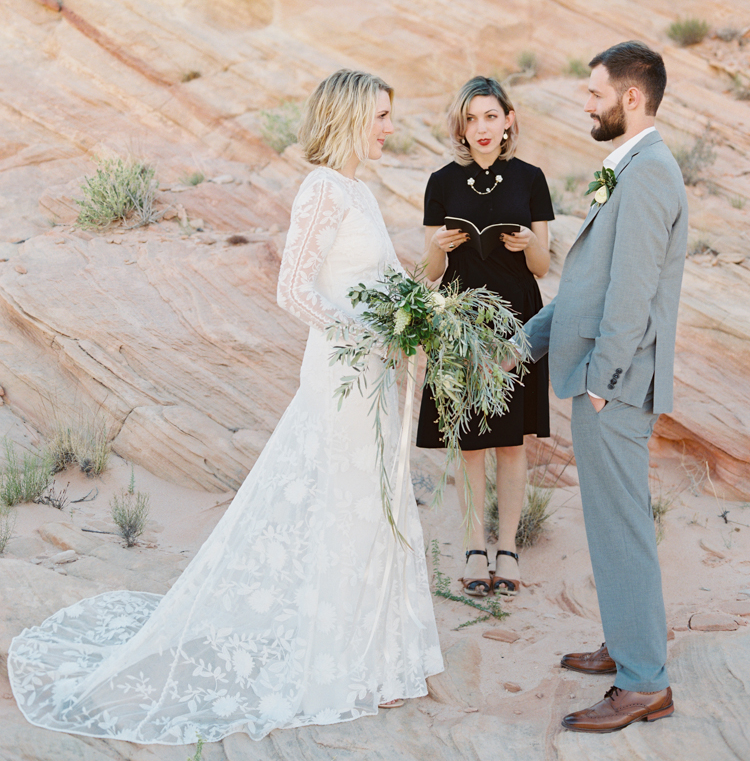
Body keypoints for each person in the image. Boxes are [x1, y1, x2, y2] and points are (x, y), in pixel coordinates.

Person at [8, 69, 443, 745]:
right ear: (352, 116)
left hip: (373, 379)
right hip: (341, 375)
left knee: (372, 506)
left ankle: (376, 660)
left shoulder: (360, 190)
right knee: (348, 506)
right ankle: (340, 663)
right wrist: (364, 333)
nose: (391, 127)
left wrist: (412, 315)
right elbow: (293, 289)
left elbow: (370, 286)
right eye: (382, 115)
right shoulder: (324, 188)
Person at [519, 41, 687, 732]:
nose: (584, 103)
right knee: (612, 523)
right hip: (601, 378)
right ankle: (626, 646)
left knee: (621, 527)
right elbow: (587, 286)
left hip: (613, 385)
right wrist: (522, 342)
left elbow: (633, 294)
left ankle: (645, 682)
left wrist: (601, 381)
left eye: (594, 93)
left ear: (632, 97)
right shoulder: (628, 167)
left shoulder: (648, 174)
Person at [416, 76, 554, 597]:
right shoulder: (441, 181)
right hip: (460, 320)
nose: (481, 128)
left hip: (517, 320)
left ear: (508, 119)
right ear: (462, 125)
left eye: (491, 117)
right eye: (471, 118)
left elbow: (543, 265)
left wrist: (525, 245)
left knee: (511, 443)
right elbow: (430, 272)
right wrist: (438, 244)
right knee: (471, 444)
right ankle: (475, 546)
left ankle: (509, 550)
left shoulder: (531, 179)